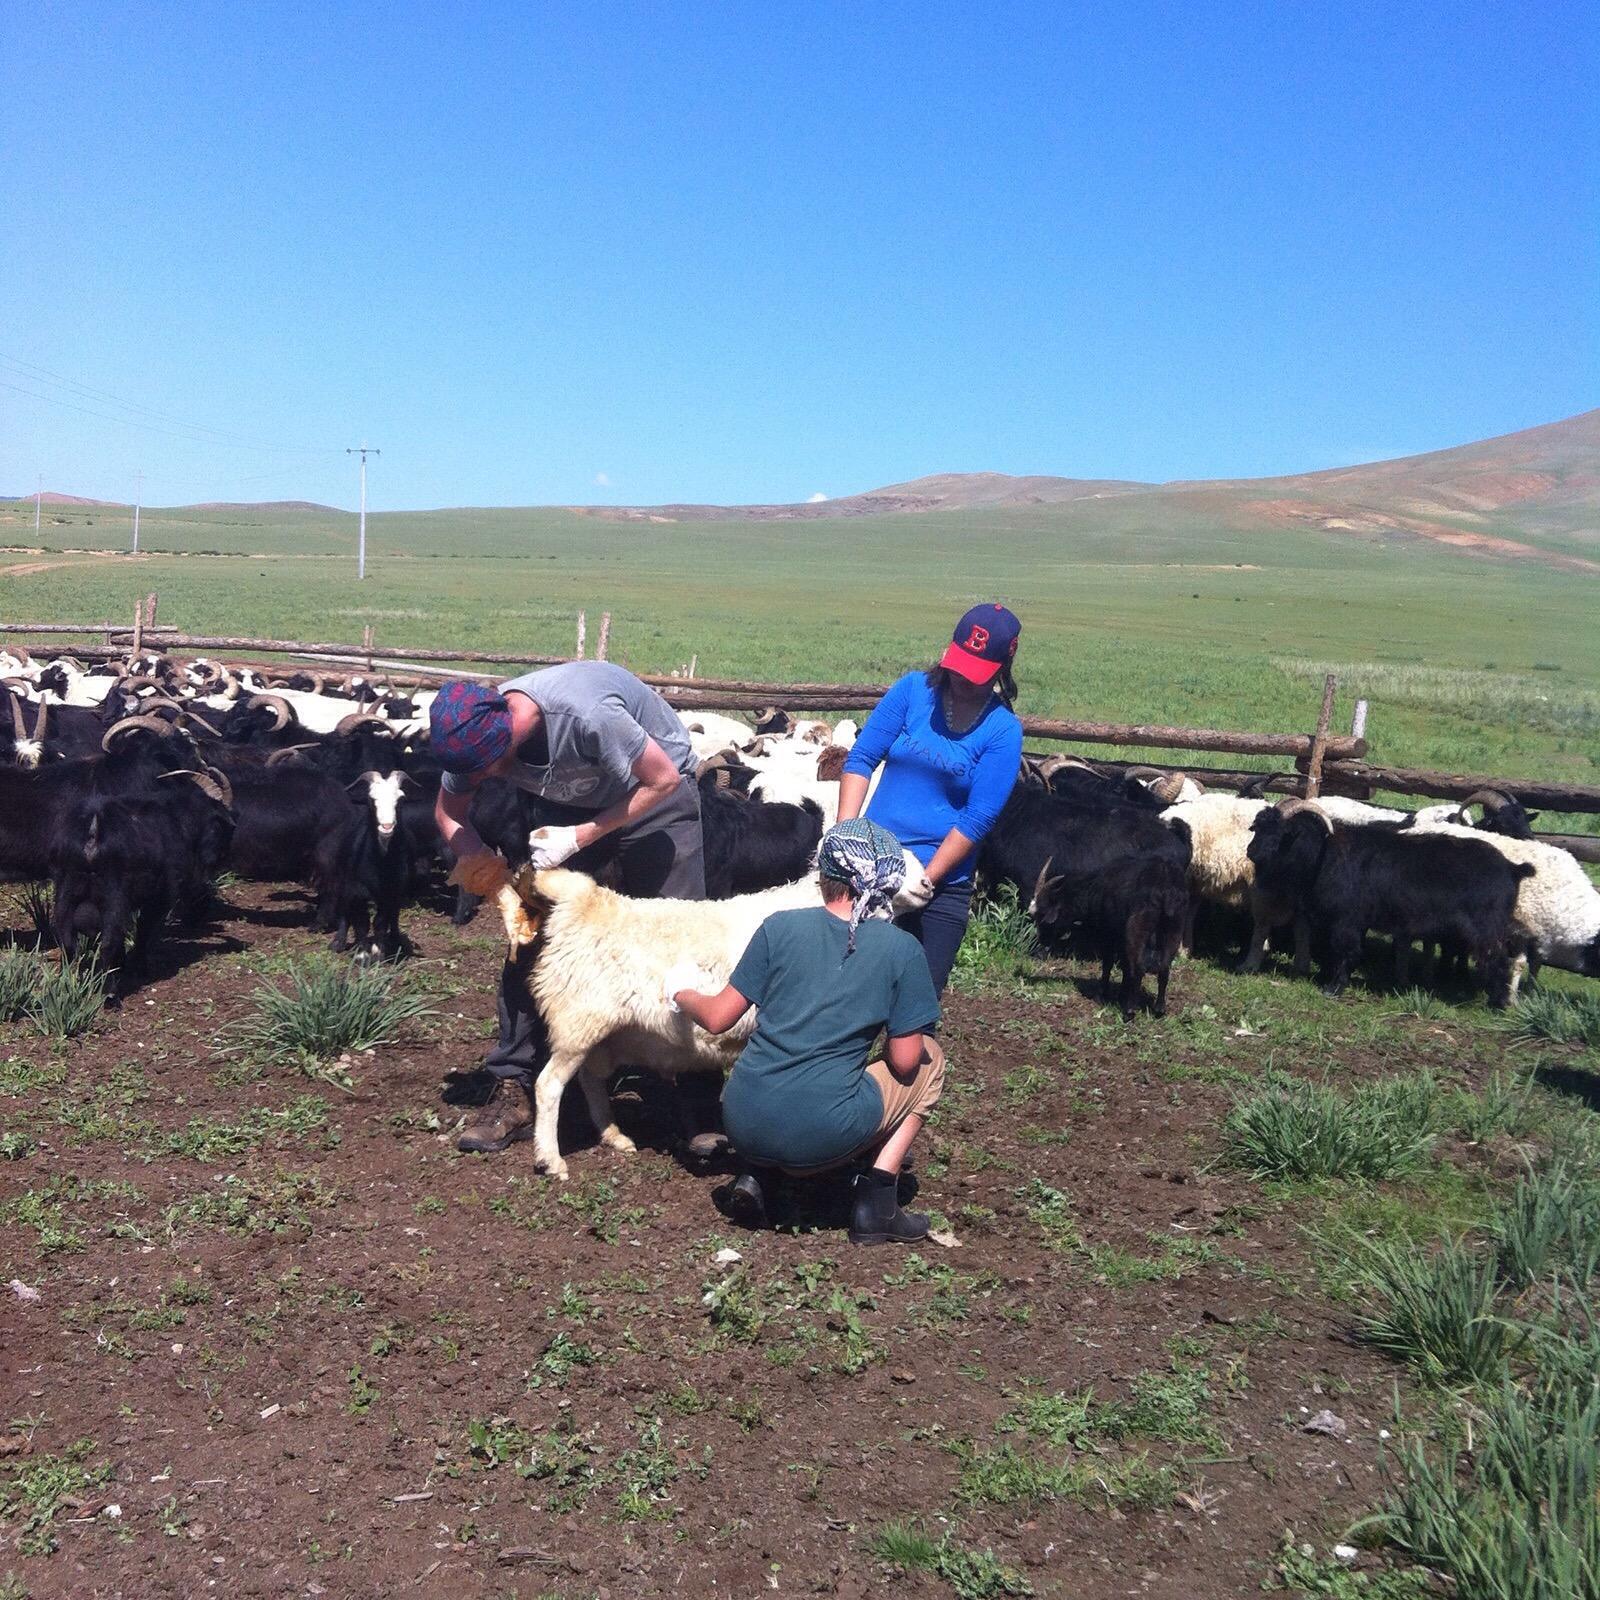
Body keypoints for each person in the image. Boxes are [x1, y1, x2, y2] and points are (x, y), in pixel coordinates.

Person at [430, 662, 705, 1154]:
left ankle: (699, 1101)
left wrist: (580, 839)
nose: (490, 776)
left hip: (656, 797)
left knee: (680, 938)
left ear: (508, 726)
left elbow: (661, 778)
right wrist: (486, 872)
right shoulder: (471, 734)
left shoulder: (585, 714)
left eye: (494, 762)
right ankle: (513, 1085)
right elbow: (449, 813)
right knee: (531, 937)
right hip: (564, 807)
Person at [668, 819, 943, 1244]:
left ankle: (759, 1176)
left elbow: (719, 1018)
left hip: (741, 1122)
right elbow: (905, 1062)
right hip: (819, 1134)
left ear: (823, 875)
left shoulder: (778, 927)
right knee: (930, 1059)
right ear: (886, 881)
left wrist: (682, 992)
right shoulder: (901, 949)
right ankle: (877, 1204)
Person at [837, 603, 1025, 994]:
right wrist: (844, 834)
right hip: (869, 864)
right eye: (959, 665)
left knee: (913, 1012)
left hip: (937, 885)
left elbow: (977, 818)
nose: (962, 679)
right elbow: (862, 758)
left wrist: (921, 882)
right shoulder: (912, 691)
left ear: (1000, 670)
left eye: (977, 674)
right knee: (845, 993)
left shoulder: (1003, 730)